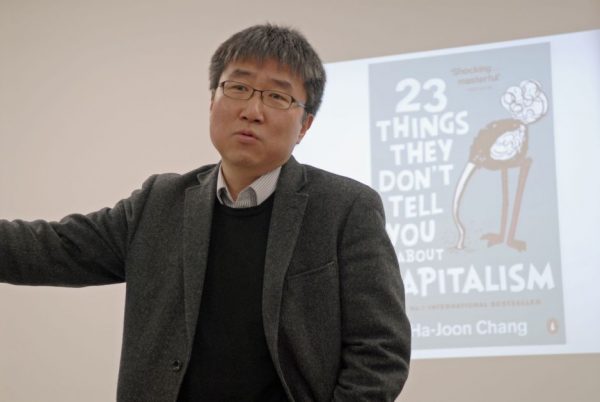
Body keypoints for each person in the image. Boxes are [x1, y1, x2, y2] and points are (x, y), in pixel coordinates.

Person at [0, 24, 411, 401]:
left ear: (305, 125)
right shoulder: (160, 202)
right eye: (238, 88)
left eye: (277, 96)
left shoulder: (345, 208)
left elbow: (380, 350)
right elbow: (52, 248)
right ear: (212, 99)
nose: (252, 110)